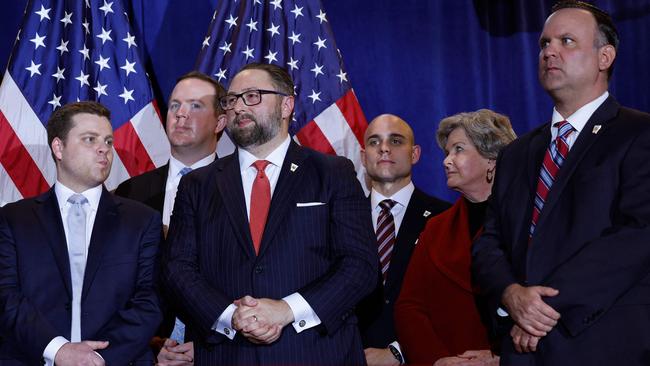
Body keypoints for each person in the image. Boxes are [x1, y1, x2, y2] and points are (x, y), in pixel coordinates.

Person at [162, 63, 378, 365]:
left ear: (287, 104)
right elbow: (177, 269)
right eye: (232, 99)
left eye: (252, 96)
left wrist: (287, 310)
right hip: (228, 353)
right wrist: (232, 317)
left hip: (317, 352)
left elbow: (360, 265)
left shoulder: (333, 173)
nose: (238, 107)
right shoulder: (197, 184)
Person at [472, 1, 650, 364]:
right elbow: (489, 242)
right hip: (522, 350)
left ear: (605, 56)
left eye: (567, 41)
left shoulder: (640, 134)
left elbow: (638, 235)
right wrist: (511, 295)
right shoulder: (516, 153)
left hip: (602, 342)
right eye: (544, 43)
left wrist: (539, 310)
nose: (550, 51)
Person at [0, 101, 162, 365]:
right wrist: (57, 350)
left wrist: (97, 358)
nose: (104, 149)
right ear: (58, 147)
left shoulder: (142, 221)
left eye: (108, 141)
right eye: (90, 139)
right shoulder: (13, 219)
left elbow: (150, 300)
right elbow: (5, 295)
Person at [115, 71, 227, 365]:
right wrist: (149, 344)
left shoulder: (241, 189)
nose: (181, 114)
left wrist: (208, 344)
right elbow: (117, 279)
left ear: (220, 122)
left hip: (219, 347)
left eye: (196, 106)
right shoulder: (130, 192)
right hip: (146, 350)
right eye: (175, 105)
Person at [394, 109, 515, 365]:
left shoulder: (528, 223)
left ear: (492, 159)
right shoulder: (435, 228)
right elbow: (409, 307)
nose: (446, 161)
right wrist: (437, 360)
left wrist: (505, 358)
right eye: (447, 152)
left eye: (458, 150)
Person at [357, 114, 450, 366]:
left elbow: (450, 302)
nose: (384, 148)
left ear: (415, 154)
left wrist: (399, 352)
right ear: (364, 157)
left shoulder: (445, 218)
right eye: (375, 142)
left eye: (396, 141)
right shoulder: (341, 219)